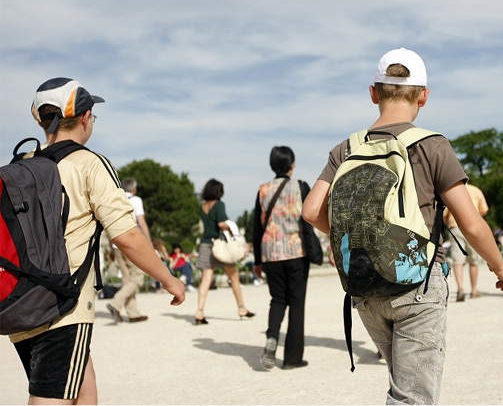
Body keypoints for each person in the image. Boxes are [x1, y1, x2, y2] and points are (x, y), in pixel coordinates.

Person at [302, 49, 503, 404]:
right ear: (423, 96)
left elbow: (310, 211)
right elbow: (471, 223)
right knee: (412, 397)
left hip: (365, 288)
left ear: (373, 93)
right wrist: (499, 264)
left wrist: (355, 241)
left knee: (403, 386)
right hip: (418, 285)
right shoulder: (432, 145)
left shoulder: (346, 149)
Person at [11, 77, 185, 405]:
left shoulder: (23, 164)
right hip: (63, 305)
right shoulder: (89, 164)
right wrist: (168, 278)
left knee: (83, 389)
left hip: (22, 301)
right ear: (86, 117)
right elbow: (127, 236)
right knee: (51, 398)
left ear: (39, 117)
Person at [253, 146, 311, 371]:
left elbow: (256, 228)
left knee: (277, 300)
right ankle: (292, 358)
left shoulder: (263, 190)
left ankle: (272, 337)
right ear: (292, 165)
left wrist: (257, 261)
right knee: (296, 304)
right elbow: (308, 218)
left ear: (272, 165)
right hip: (296, 252)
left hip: (270, 254)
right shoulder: (300, 187)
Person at [194, 179, 254, 324]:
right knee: (234, 277)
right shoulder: (219, 205)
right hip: (220, 246)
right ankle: (241, 308)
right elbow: (221, 224)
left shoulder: (202, 207)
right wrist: (230, 226)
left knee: (206, 279)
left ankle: (199, 312)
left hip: (205, 244)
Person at [107, 178, 153, 322]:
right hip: (131, 243)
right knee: (138, 277)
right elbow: (141, 222)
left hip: (116, 244)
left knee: (127, 279)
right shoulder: (136, 200)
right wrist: (149, 243)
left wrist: (110, 245)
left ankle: (133, 313)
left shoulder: (114, 199)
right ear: (134, 189)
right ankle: (115, 302)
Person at [443, 183, 489, 301]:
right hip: (473, 226)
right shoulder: (476, 190)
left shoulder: (451, 190)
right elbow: (484, 210)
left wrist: (450, 223)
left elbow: (444, 215)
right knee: (474, 260)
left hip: (455, 227)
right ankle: (474, 290)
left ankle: (460, 289)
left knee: (457, 260)